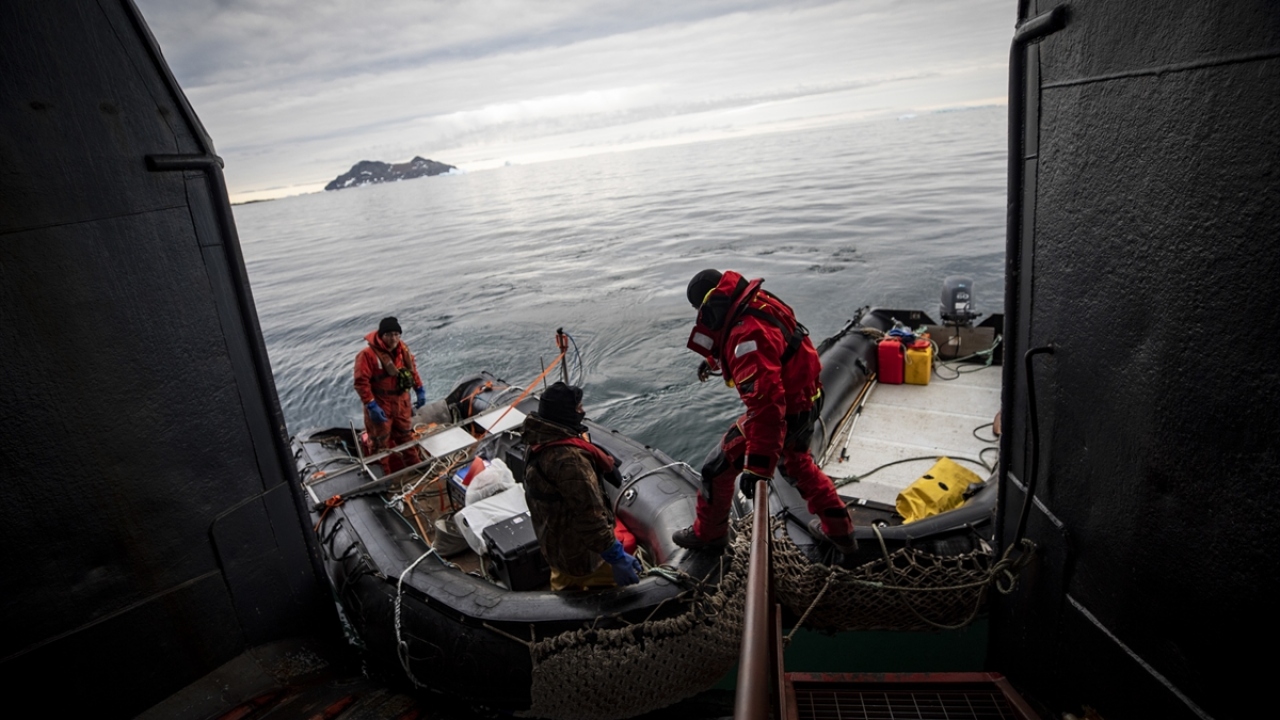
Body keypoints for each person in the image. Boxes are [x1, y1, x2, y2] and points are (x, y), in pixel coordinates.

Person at [673, 269, 857, 554]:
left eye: (699, 309)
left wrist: (756, 468)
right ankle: (842, 533)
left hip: (786, 412)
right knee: (799, 466)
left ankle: (709, 535)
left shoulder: (746, 336)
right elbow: (770, 343)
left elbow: (767, 407)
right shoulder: (756, 301)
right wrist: (713, 361)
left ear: (708, 305)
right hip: (807, 399)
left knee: (716, 469)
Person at [521, 382, 642, 591]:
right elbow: (589, 516)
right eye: (578, 408)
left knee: (564, 592)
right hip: (585, 556)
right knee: (616, 595)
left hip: (555, 549)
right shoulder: (570, 461)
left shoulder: (537, 443)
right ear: (565, 413)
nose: (582, 411)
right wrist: (616, 556)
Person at [353, 316, 427, 474]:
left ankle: (417, 468)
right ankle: (383, 478)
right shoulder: (367, 355)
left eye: (396, 334)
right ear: (381, 335)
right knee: (380, 444)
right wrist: (371, 404)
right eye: (389, 335)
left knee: (406, 436)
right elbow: (361, 382)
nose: (393, 338)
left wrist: (419, 389)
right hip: (381, 403)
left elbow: (412, 371)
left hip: (401, 402)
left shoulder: (403, 350)